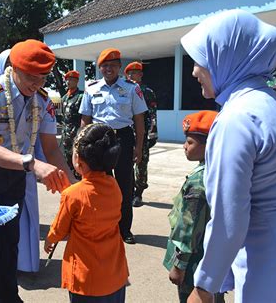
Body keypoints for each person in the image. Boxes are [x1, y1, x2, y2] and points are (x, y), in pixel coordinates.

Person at [180, 10, 276, 303]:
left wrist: (204, 286)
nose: (194, 71)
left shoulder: (235, 119)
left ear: (226, 57)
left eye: (201, 59)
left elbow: (230, 218)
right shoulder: (272, 102)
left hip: (266, 269)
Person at [0, 39, 75, 302]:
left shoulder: (43, 100)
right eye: (30, 77)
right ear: (13, 68)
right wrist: (33, 164)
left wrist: (75, 186)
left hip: (14, 173)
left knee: (9, 241)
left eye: (43, 78)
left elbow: (52, 149)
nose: (36, 84)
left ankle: (9, 296)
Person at [45, 123, 128, 302]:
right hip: (115, 273)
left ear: (79, 162)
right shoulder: (114, 186)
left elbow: (59, 229)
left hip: (86, 280)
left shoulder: (72, 195)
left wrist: (50, 240)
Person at [79, 48, 147, 244]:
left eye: (112, 65)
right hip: (99, 140)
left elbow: (139, 120)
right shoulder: (91, 88)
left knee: (125, 186)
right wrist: (80, 145)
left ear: (119, 67)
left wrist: (139, 147)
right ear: (100, 68)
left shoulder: (132, 88)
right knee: (100, 185)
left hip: (123, 139)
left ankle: (124, 229)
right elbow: (85, 120)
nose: (109, 68)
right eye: (105, 65)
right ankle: (104, 227)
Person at [162, 111, 224, 303]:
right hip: (212, 259)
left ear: (208, 145)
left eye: (190, 142)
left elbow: (189, 228)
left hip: (193, 263)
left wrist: (179, 266)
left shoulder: (198, 182)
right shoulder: (218, 169)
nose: (184, 147)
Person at [0, 48, 41, 273]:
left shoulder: (38, 99)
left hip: (28, 170)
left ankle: (28, 264)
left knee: (27, 215)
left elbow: (46, 143)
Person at [125, 61, 158, 207]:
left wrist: (152, 135)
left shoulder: (147, 92)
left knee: (141, 163)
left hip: (142, 133)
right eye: (130, 73)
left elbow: (152, 115)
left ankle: (138, 192)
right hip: (126, 132)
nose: (132, 76)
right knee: (126, 163)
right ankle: (128, 190)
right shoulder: (124, 89)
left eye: (135, 73)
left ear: (141, 75)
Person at [60, 70, 84, 179]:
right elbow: (63, 117)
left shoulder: (81, 96)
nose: (69, 82)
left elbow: (84, 117)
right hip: (66, 138)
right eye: (67, 80)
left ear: (77, 81)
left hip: (76, 136)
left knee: (78, 163)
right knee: (67, 164)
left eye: (72, 80)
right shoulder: (64, 98)